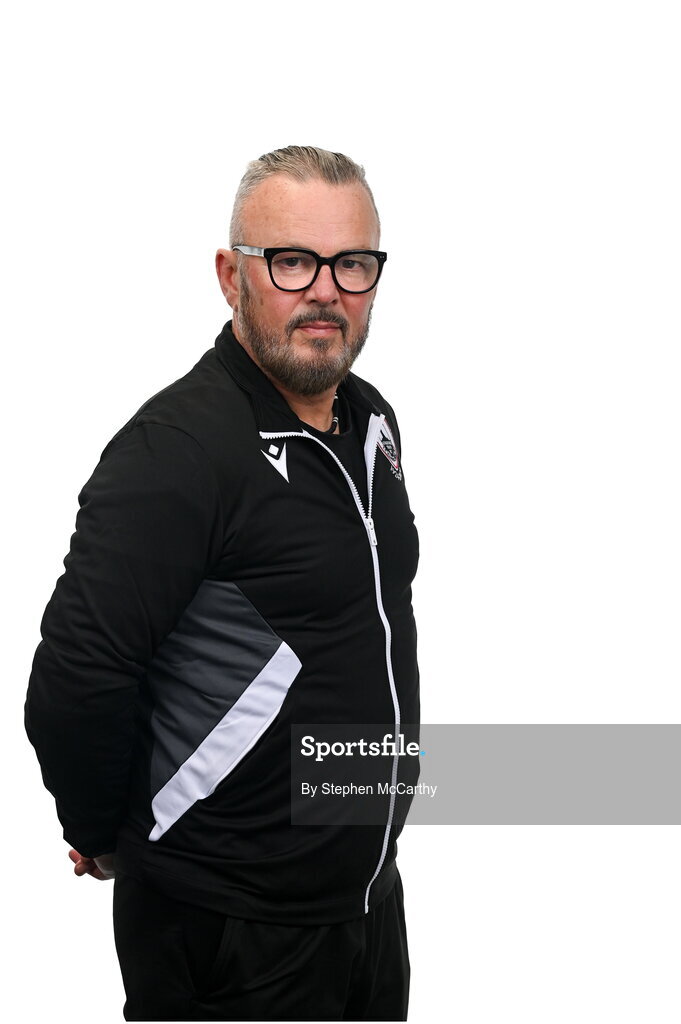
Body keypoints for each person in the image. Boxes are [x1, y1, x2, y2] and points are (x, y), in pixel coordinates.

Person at [25, 145, 420, 1021]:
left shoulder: (371, 423)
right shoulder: (178, 451)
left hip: (363, 907)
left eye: (352, 263)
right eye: (291, 261)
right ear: (229, 274)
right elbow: (76, 680)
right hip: (226, 928)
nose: (326, 290)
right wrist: (101, 831)